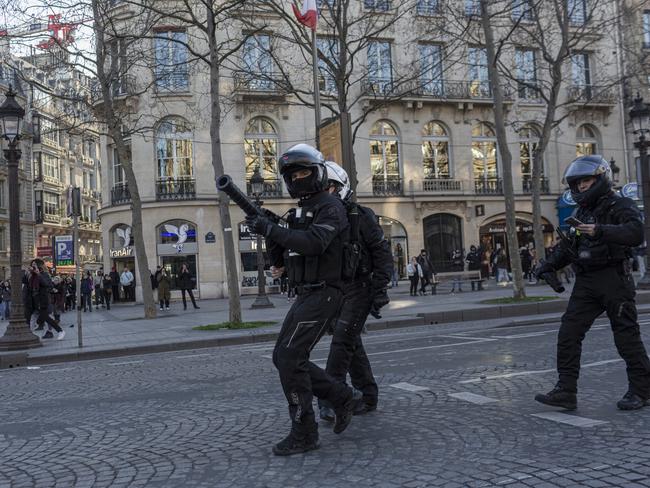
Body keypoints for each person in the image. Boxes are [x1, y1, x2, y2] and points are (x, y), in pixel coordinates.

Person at [245, 144, 362, 456]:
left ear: (318, 172)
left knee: (288, 357)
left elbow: (312, 243)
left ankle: (305, 430)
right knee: (281, 357)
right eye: (292, 174)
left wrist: (271, 227)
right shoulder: (299, 211)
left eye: (303, 172)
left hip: (326, 293)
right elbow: (284, 250)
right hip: (307, 293)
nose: (298, 178)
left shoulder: (331, 206)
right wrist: (269, 231)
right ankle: (340, 396)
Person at [534, 155, 650, 411]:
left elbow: (635, 233)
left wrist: (600, 230)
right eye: (577, 184)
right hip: (586, 281)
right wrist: (547, 265)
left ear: (600, 178)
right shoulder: (581, 211)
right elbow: (569, 247)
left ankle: (641, 390)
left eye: (585, 181)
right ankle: (565, 391)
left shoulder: (621, 204)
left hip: (614, 279)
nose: (581, 187)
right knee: (568, 333)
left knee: (626, 337)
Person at [317, 160, 392, 422]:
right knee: (351, 343)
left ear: (341, 187)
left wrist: (380, 289)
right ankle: (368, 395)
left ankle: (330, 398)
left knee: (341, 342)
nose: (326, 193)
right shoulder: (321, 218)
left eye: (330, 187)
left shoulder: (361, 216)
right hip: (336, 290)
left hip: (360, 287)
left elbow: (382, 253)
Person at [23, 259, 65, 340]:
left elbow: (47, 285)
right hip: (32, 300)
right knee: (29, 317)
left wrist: (38, 274)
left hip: (41, 300)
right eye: (32, 265)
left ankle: (60, 331)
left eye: (35, 265)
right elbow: (25, 283)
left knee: (45, 317)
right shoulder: (31, 275)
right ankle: (28, 335)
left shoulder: (44, 274)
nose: (33, 267)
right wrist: (26, 273)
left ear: (39, 266)